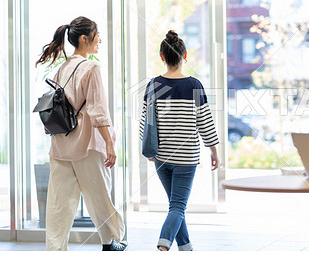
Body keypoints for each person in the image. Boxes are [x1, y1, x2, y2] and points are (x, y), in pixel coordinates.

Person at [36, 16, 127, 251]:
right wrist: (109, 143)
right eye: (97, 36)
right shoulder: (91, 67)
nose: (100, 40)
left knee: (59, 204)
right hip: (87, 144)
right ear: (85, 39)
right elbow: (98, 111)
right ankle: (110, 241)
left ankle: (55, 251)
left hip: (60, 144)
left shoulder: (61, 69)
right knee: (99, 196)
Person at [140, 30, 220, 251]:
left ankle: (185, 246)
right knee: (177, 205)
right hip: (186, 157)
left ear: (162, 57)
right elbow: (205, 121)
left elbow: (145, 122)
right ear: (185, 56)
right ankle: (164, 242)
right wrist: (214, 150)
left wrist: (148, 151)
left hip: (161, 156)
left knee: (176, 205)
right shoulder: (194, 85)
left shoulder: (153, 85)